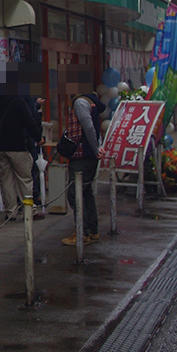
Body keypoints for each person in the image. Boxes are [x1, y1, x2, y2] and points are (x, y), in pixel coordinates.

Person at [0, 94, 45, 221]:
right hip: (18, 146)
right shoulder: (20, 100)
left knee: (6, 180)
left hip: (0, 147)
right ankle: (29, 210)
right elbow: (29, 122)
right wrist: (38, 138)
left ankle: (10, 211)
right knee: (24, 179)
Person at [61, 93, 106, 246]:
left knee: (75, 193)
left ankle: (83, 233)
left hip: (82, 155)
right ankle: (92, 230)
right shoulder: (90, 102)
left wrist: (95, 149)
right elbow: (95, 129)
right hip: (88, 155)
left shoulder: (80, 103)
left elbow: (88, 127)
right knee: (86, 193)